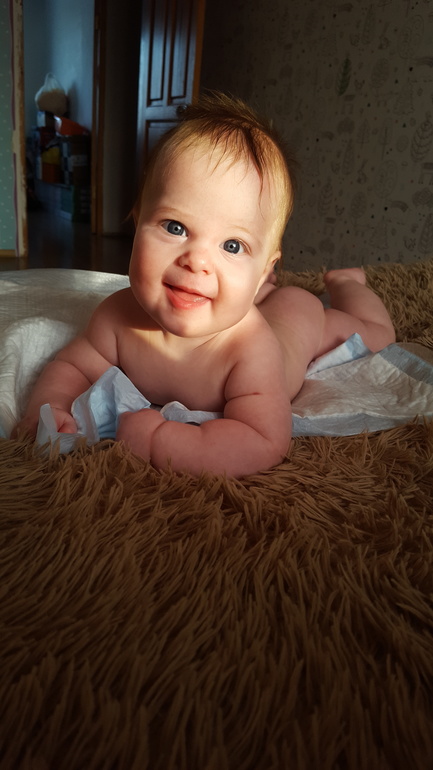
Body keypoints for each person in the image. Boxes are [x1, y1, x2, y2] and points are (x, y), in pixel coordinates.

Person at [14, 92, 395, 477]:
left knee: (376, 335)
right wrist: (51, 406)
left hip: (295, 322)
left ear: (265, 266)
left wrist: (160, 441)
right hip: (243, 296)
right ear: (137, 220)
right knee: (234, 296)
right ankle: (258, 288)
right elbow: (72, 366)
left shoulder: (250, 352)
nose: (196, 261)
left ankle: (346, 283)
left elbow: (264, 439)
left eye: (232, 246)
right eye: (175, 227)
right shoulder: (117, 317)